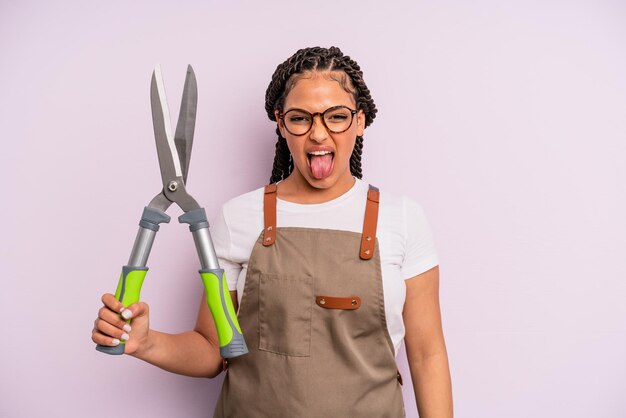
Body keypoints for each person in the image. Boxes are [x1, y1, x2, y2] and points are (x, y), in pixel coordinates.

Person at [92, 46, 453, 417]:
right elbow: (212, 349)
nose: (318, 134)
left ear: (359, 121)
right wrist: (146, 342)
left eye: (337, 116)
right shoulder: (239, 218)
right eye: (300, 119)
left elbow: (427, 356)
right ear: (281, 123)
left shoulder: (403, 218)